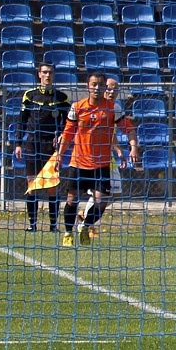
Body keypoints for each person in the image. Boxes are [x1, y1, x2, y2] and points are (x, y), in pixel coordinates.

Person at [55, 73, 125, 246]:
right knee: (72, 199)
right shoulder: (78, 107)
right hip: (78, 162)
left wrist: (132, 145)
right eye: (93, 84)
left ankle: (85, 226)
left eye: (100, 85)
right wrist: (59, 155)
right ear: (88, 86)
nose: (97, 88)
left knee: (102, 202)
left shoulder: (112, 108)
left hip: (101, 164)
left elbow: (127, 127)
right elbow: (68, 133)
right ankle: (68, 232)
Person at [14, 63, 71, 232]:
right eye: (45, 72)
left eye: (51, 72)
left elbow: (68, 122)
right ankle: (32, 225)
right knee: (32, 185)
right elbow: (22, 121)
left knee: (52, 185)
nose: (48, 75)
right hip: (32, 143)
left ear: (54, 75)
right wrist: (18, 144)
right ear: (39, 74)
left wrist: (60, 135)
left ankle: (53, 226)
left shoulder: (61, 97)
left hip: (51, 146)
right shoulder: (30, 95)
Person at [79, 77, 138, 230]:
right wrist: (119, 150)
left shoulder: (114, 108)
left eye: (115, 89)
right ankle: (86, 223)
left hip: (107, 158)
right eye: (109, 88)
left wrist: (121, 150)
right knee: (101, 194)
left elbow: (112, 134)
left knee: (111, 194)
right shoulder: (96, 108)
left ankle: (85, 217)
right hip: (92, 159)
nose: (112, 92)